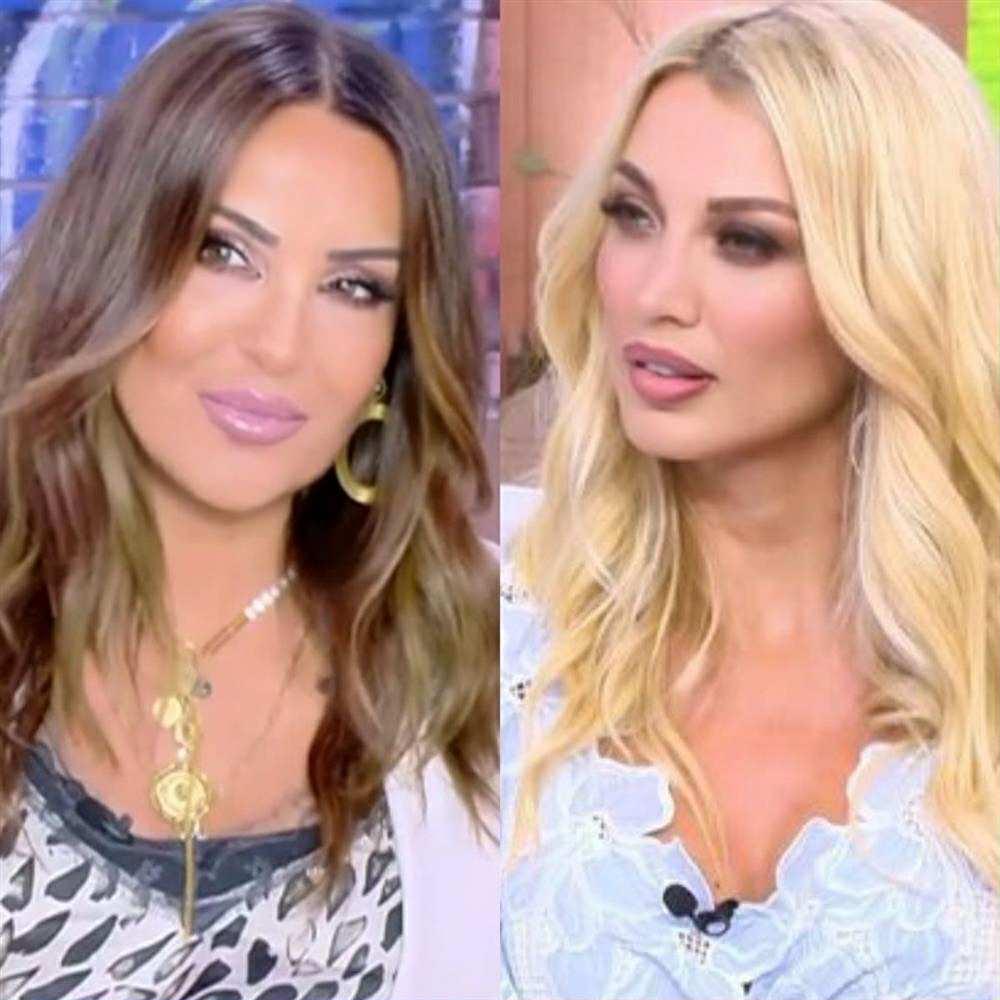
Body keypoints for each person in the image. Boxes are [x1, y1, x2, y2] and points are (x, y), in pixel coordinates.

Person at [500, 1, 998, 997]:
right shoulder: (498, 645)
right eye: (632, 216)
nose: (656, 293)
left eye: (745, 240)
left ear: (891, 281)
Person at [0, 4, 499, 997]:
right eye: (224, 252)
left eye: (353, 288)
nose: (278, 346)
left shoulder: (485, 656)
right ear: (112, 266)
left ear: (395, 350)